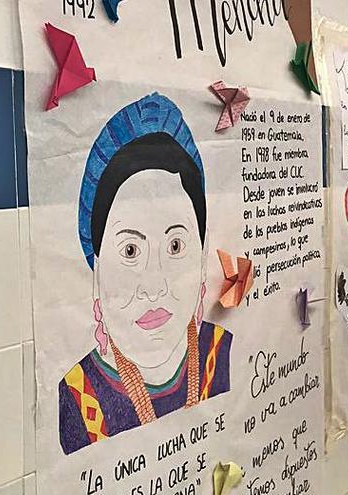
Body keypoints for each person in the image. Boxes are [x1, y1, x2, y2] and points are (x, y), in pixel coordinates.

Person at [59, 94, 232, 455]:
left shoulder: (225, 354)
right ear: (97, 268)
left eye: (175, 246)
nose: (154, 287)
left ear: (202, 258)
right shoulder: (77, 404)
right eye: (130, 251)